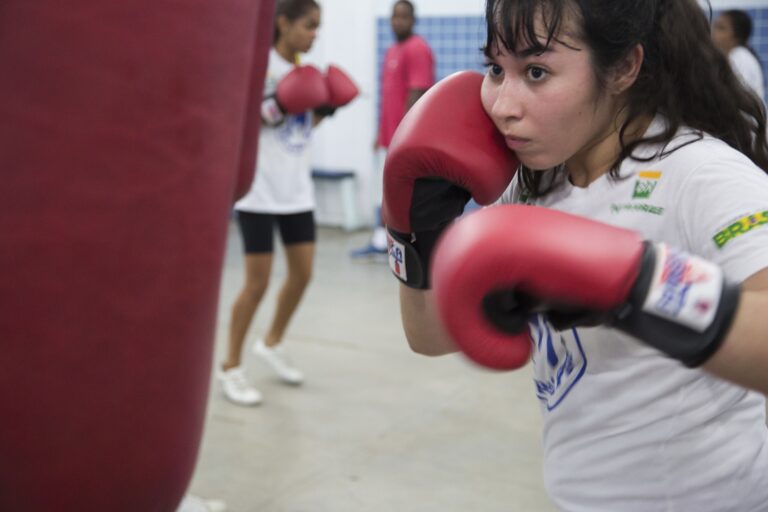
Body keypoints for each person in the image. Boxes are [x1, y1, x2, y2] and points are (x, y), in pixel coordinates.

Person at [383, 0, 768, 510]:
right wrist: (416, 232)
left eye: (536, 71)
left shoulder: (698, 174)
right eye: (496, 68)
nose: (502, 104)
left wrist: (638, 285)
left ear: (625, 68)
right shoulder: (534, 181)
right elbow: (429, 336)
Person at [218, 0, 357, 406]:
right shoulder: (259, 65)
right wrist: (282, 102)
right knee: (257, 283)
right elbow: (243, 120)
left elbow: (301, 125)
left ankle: (272, 342)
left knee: (303, 274)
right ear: (283, 23)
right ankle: (230, 367)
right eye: (308, 26)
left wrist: (326, 108)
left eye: (318, 26)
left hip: (297, 190)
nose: (315, 34)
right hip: (259, 193)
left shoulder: (303, 70)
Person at [352, 0, 434, 257]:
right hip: (389, 136)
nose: (397, 21)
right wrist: (381, 132)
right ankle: (380, 241)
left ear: (413, 20)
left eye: (403, 17)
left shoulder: (417, 49)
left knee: (397, 192)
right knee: (384, 190)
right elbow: (389, 97)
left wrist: (404, 135)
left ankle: (390, 245)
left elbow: (417, 93)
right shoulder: (392, 50)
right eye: (394, 16)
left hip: (403, 138)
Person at [712, 9, 765, 103]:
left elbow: (735, 98)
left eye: (721, 28)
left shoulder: (740, 57)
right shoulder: (737, 57)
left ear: (736, 34)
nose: (713, 32)